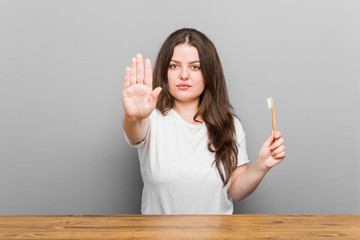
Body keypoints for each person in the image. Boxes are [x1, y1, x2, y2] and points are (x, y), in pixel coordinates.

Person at [122, 28, 286, 214]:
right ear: (164, 71)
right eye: (174, 66)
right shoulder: (151, 119)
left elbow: (235, 191)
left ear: (209, 72)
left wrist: (261, 165)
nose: (184, 75)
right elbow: (134, 131)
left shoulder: (230, 124)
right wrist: (133, 116)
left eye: (195, 67)